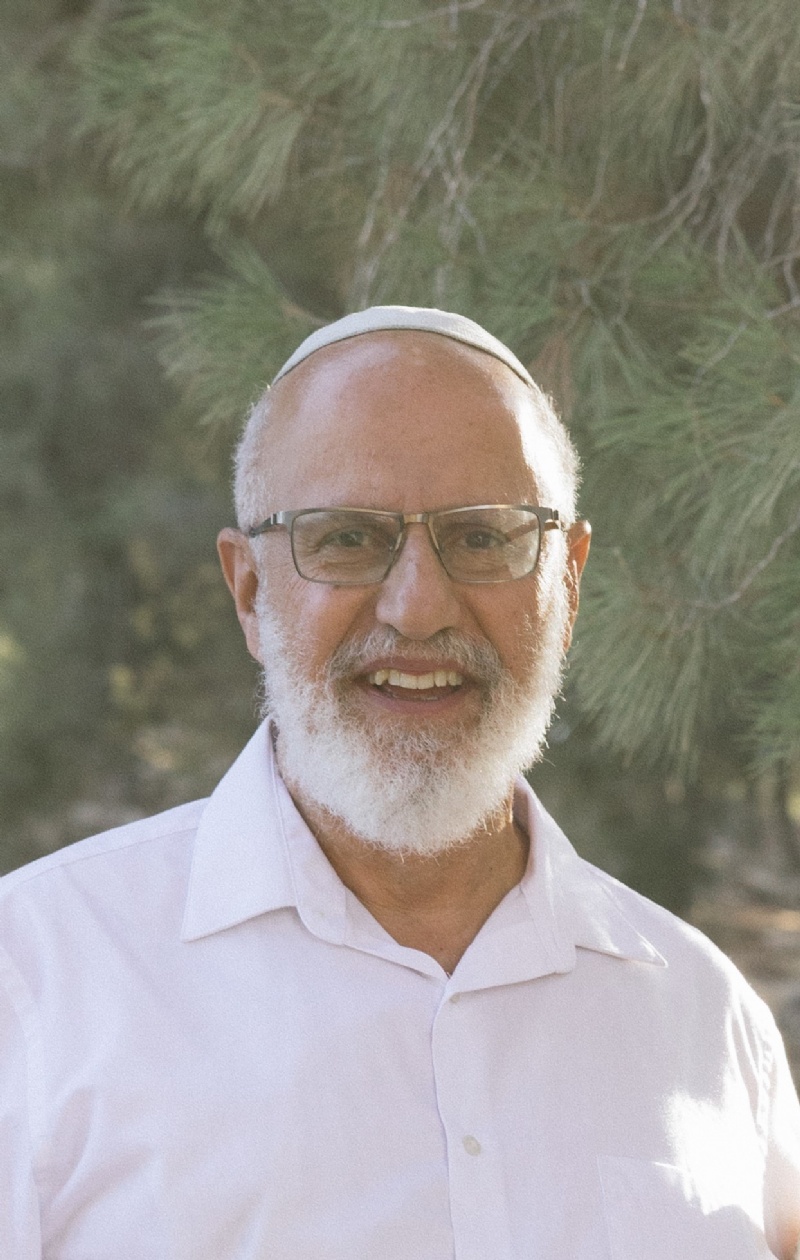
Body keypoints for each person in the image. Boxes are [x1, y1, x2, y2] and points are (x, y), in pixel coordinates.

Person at [0, 305, 798, 1259]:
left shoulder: (706, 1020)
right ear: (249, 590)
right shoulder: (37, 982)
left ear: (569, 583)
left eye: (484, 538)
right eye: (346, 537)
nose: (418, 607)